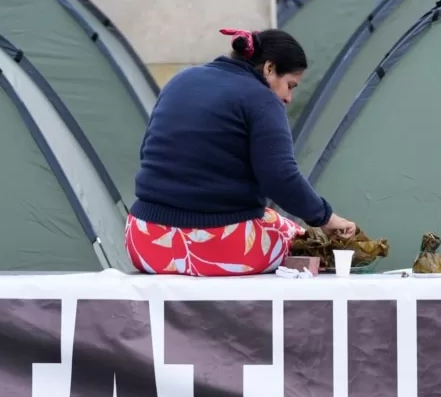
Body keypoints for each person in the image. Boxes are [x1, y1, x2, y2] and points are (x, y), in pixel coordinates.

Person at [125, 27, 357, 276]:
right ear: (269, 68)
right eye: (290, 85)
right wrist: (326, 218)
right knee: (300, 239)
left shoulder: (181, 79)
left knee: (270, 217)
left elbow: (147, 150)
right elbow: (280, 178)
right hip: (213, 250)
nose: (288, 98)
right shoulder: (263, 100)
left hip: (144, 242)